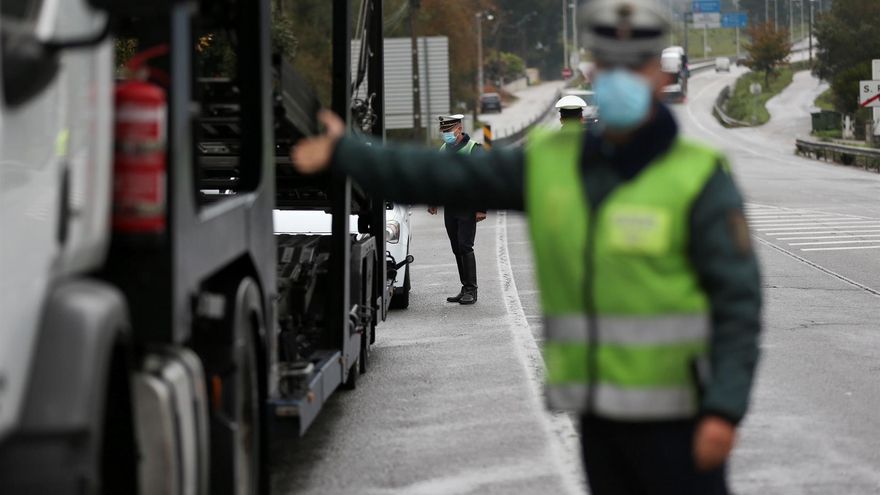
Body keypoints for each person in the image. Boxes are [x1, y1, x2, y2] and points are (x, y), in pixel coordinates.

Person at [291, 0, 761, 492]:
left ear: (662, 77)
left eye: (635, 66)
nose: (622, 78)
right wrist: (349, 153)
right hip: (598, 416)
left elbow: (738, 299)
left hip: (682, 418)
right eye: (610, 65)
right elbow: (448, 176)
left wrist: (724, 410)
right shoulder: (555, 165)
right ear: (593, 73)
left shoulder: (698, 176)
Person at [428, 115, 487, 305]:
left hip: (468, 206)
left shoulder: (474, 149)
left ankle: (472, 289)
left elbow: (482, 179)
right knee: (456, 247)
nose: (446, 134)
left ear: (459, 129)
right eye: (444, 131)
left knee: (465, 245)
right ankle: (465, 287)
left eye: (449, 130)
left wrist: (481, 208)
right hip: (450, 206)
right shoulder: (443, 150)